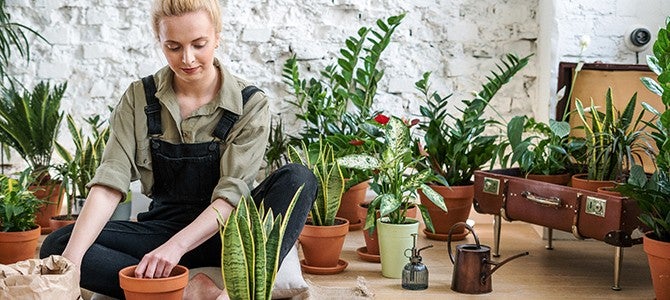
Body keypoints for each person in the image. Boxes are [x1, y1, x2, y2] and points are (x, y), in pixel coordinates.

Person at [39, 0, 317, 299]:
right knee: (59, 246)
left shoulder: (249, 103)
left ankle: (235, 289)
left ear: (217, 36)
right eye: (173, 47)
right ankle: (187, 291)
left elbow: (231, 196)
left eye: (199, 44)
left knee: (299, 178)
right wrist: (72, 264)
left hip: (229, 234)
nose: (187, 59)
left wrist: (176, 248)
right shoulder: (138, 97)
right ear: (159, 41)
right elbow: (110, 184)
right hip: (161, 230)